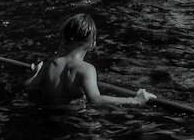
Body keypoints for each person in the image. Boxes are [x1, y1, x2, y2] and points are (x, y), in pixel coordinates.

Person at [25, 12, 154, 109]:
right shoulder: (86, 69)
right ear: (92, 44)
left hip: (50, 114)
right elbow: (95, 99)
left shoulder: (50, 64)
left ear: (65, 39)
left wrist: (36, 73)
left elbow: (28, 86)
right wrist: (134, 100)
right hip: (75, 118)